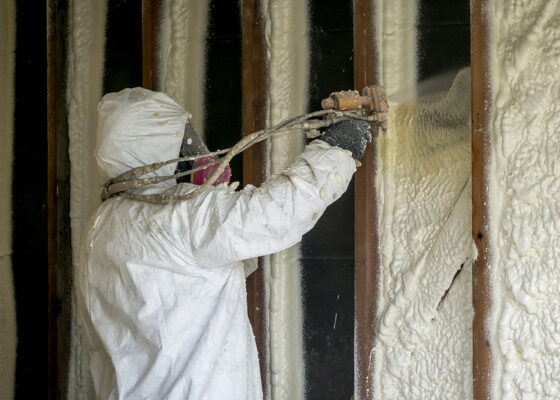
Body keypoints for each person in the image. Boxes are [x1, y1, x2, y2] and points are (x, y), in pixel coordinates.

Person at [73, 87, 371, 399]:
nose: (196, 154)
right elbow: (275, 213)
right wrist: (337, 148)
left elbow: (198, 273)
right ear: (155, 148)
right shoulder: (179, 216)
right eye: (184, 142)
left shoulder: (101, 224)